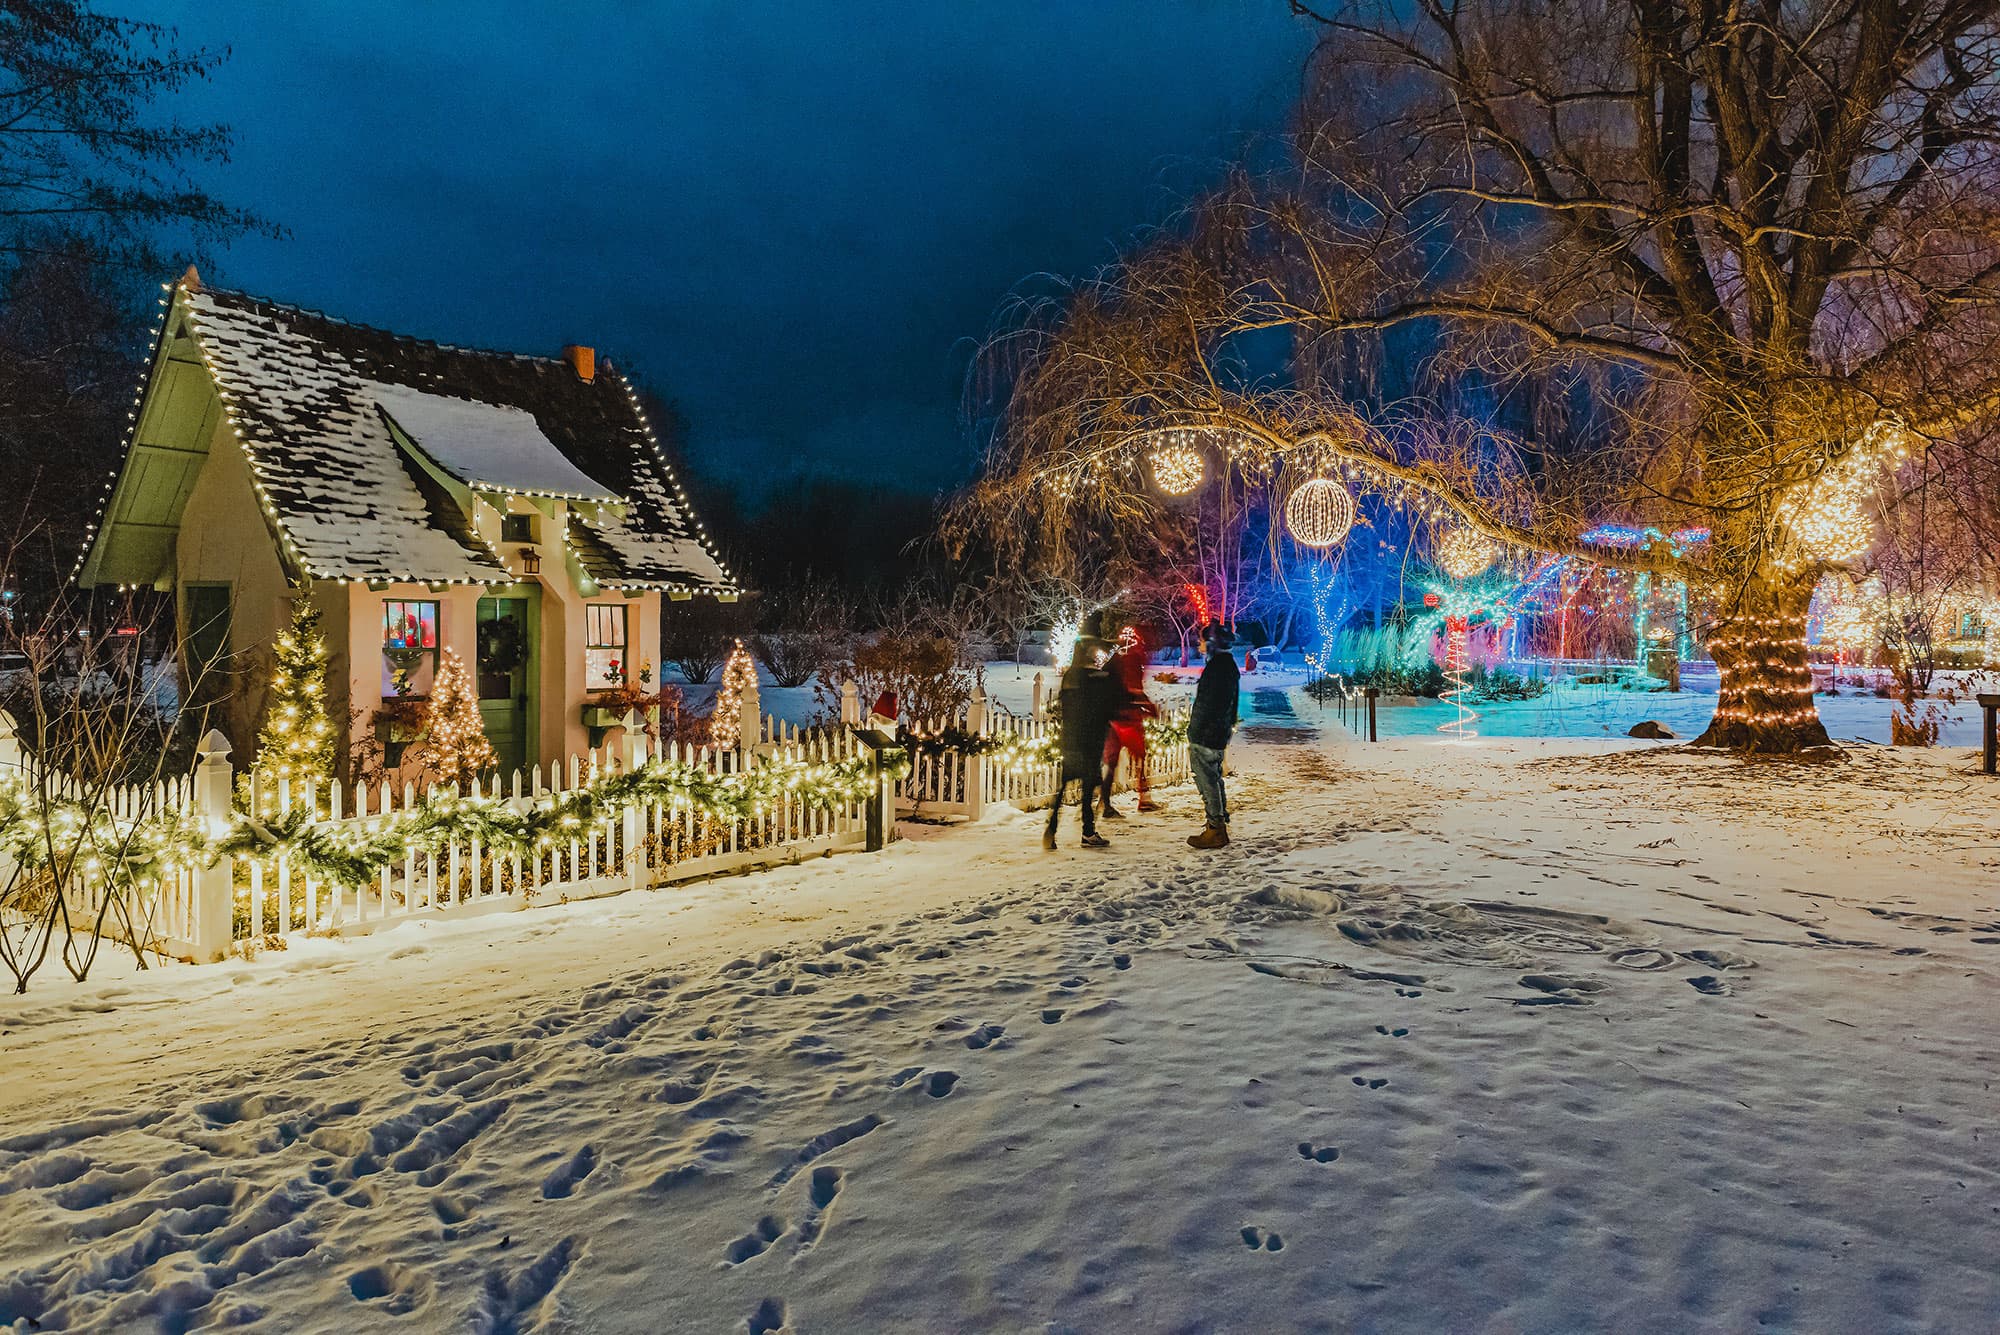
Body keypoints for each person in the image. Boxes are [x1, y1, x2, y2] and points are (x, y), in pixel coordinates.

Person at [1045, 635, 1116, 850]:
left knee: (1064, 784)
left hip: (1070, 739)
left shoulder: (1070, 677)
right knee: (1087, 790)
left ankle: (1051, 829)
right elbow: (1102, 708)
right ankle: (1088, 831)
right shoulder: (1093, 678)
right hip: (1089, 740)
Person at [1186, 623, 1240, 849]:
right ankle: (1218, 825)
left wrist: (1195, 730)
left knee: (1207, 780)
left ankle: (1215, 827)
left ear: (1212, 644)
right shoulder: (1227, 667)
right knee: (1214, 778)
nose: (1199, 645)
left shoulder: (1217, 668)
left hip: (1206, 735)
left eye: (1202, 641)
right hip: (1217, 733)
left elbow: (1208, 705)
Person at [1099, 626, 1160, 818]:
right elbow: (1134, 689)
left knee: (1111, 762)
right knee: (1140, 757)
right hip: (1127, 718)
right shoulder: (1132, 661)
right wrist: (1149, 707)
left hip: (1111, 717)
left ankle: (1105, 801)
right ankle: (1144, 799)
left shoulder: (1115, 661)